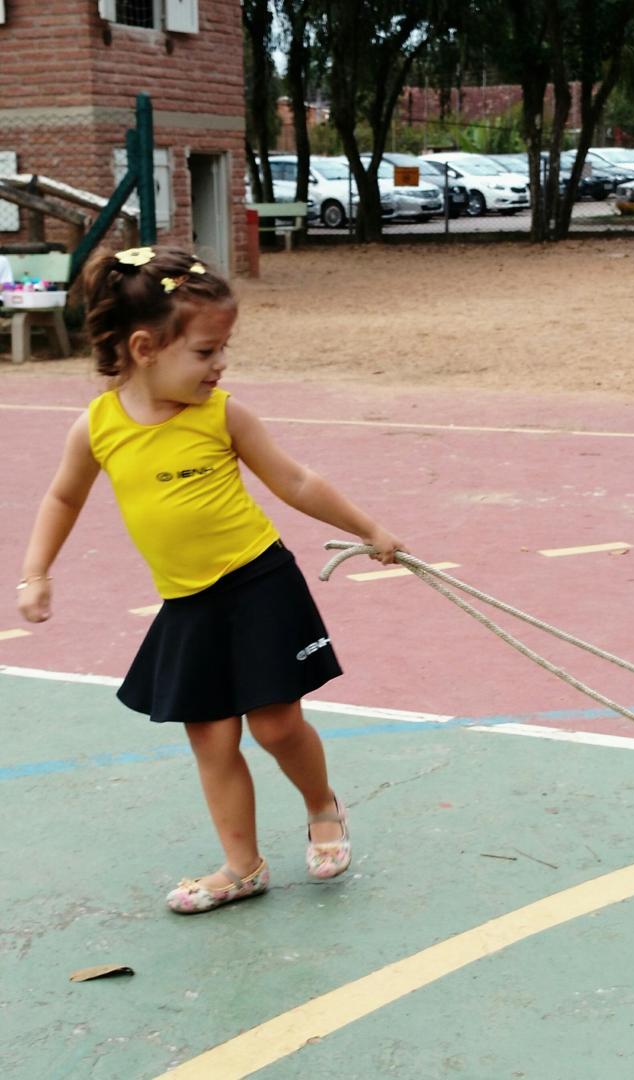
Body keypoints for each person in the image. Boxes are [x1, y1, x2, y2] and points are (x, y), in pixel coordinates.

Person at [15, 245, 404, 914]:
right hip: (188, 605)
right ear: (144, 347)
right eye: (205, 352)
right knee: (212, 739)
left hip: (259, 584)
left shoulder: (221, 414)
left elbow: (295, 480)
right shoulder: (98, 428)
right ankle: (242, 865)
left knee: (277, 728)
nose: (219, 365)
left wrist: (370, 530)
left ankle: (321, 805)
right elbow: (62, 498)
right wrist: (36, 571)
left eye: (224, 349)